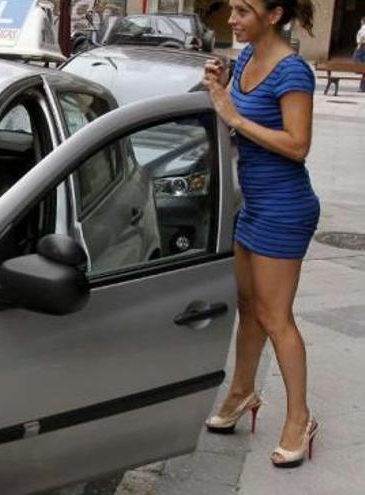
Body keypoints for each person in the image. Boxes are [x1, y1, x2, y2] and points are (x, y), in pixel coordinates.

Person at [201, 0, 319, 469]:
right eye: (232, 9)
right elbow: (239, 115)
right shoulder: (247, 57)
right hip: (251, 205)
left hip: (285, 210)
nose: (232, 20)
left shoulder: (293, 72)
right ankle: (241, 392)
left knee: (276, 318)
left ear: (274, 15)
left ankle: (299, 419)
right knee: (248, 309)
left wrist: (233, 115)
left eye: (244, 11)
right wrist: (221, 89)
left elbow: (297, 144)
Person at [354, 16, 365, 92]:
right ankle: (362, 87)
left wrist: (359, 44)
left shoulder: (364, 28)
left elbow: (362, 36)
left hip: (362, 46)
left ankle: (362, 87)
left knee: (356, 58)